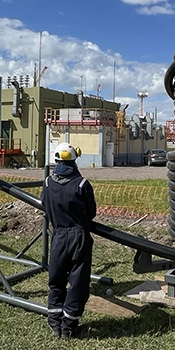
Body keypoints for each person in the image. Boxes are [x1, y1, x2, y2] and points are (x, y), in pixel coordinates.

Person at [41, 142, 97, 339]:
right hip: (79, 237)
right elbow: (91, 212)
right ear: (75, 159)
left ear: (56, 160)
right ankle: (68, 326)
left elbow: (45, 204)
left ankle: (54, 321)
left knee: (56, 279)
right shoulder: (82, 184)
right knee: (78, 282)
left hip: (58, 236)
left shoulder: (47, 183)